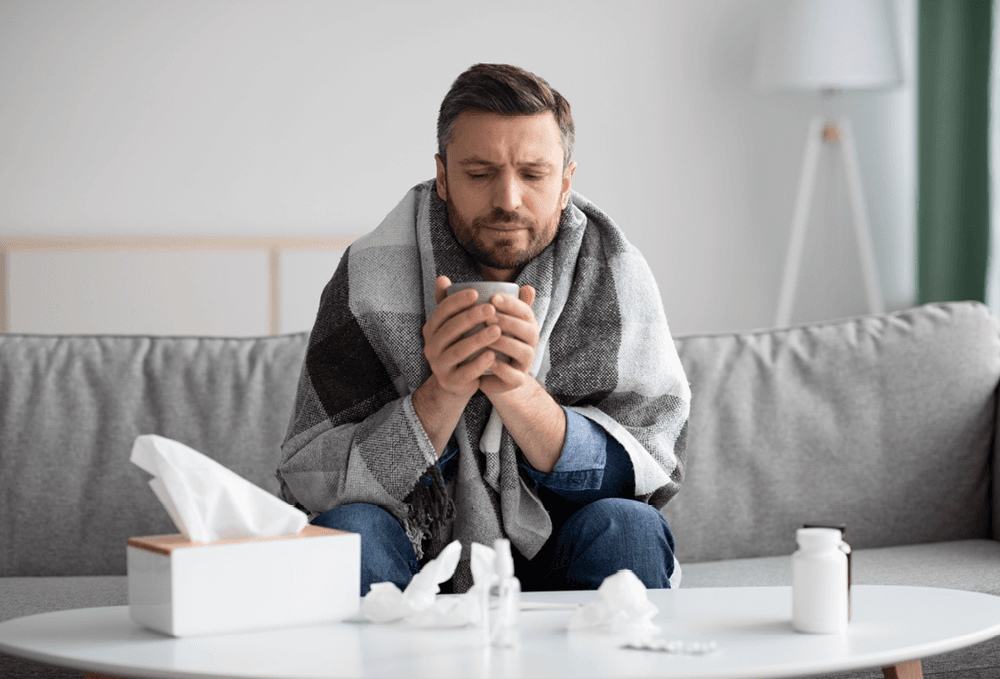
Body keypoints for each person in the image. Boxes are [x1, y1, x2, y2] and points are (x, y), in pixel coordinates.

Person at [276, 63, 690, 595]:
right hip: (415, 546)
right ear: (442, 177)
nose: (508, 200)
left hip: (558, 543)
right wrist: (444, 389)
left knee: (630, 530)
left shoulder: (613, 274)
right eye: (479, 173)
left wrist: (518, 393)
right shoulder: (368, 277)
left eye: (534, 175)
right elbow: (315, 482)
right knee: (348, 535)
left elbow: (647, 469)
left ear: (565, 183)